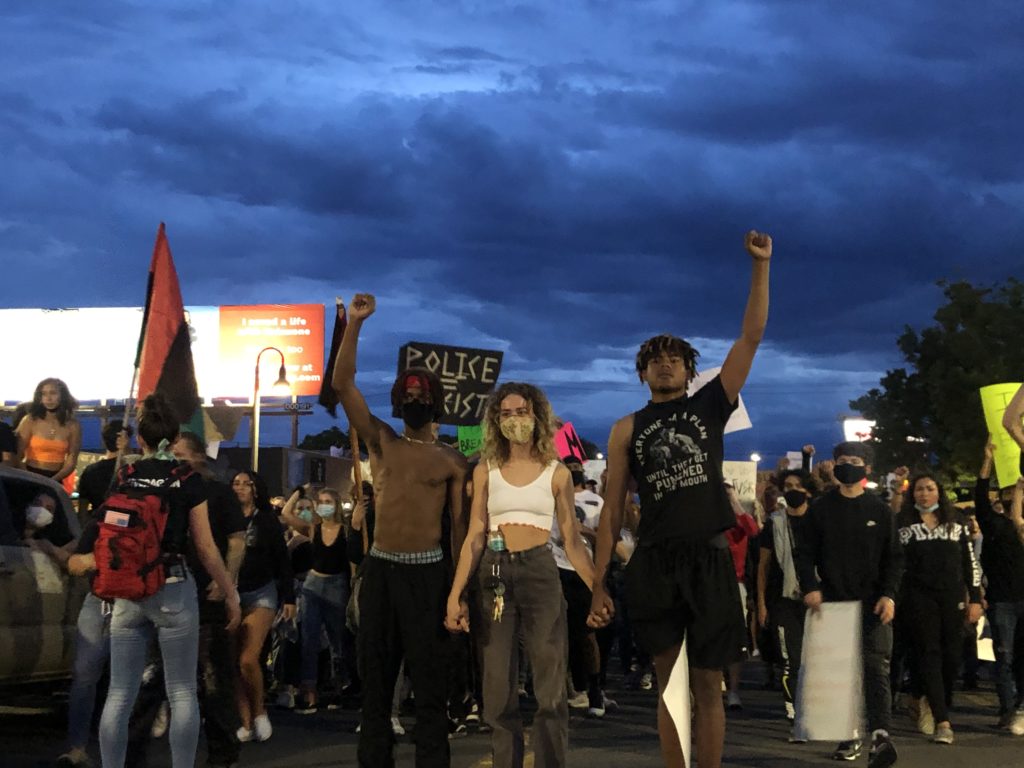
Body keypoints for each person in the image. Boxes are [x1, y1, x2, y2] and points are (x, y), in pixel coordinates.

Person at [589, 230, 772, 768]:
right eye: (655, 360)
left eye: (674, 359)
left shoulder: (712, 404)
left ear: (690, 370)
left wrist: (761, 265)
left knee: (708, 684)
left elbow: (752, 335)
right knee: (670, 681)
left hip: (709, 554)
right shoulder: (627, 428)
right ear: (642, 372)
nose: (665, 365)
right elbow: (613, 507)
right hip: (656, 559)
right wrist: (599, 581)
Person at [66, 393, 241, 768]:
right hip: (174, 587)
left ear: (140, 438)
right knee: (181, 693)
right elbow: (207, 548)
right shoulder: (187, 480)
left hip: (129, 590)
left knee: (120, 692)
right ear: (175, 435)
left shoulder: (125, 476)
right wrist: (230, 594)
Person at [331, 293, 468, 768]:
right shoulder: (381, 441)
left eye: (421, 394)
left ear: (435, 403)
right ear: (397, 400)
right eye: (407, 394)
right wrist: (356, 325)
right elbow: (342, 382)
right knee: (376, 691)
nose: (414, 398)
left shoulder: (452, 460)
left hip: (429, 580)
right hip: (383, 574)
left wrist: (458, 592)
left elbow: (459, 531)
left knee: (430, 693)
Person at [446, 382, 596, 768]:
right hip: (493, 574)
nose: (515, 420)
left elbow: (574, 542)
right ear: (496, 420)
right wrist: (456, 592)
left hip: (541, 571)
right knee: (496, 688)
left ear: (537, 417)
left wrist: (598, 588)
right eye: (507, 413)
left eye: (522, 412)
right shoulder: (485, 471)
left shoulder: (557, 473)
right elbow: (475, 535)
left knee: (550, 687)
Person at [794, 441, 903, 767]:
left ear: (867, 469)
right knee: (841, 673)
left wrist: (889, 595)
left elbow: (894, 558)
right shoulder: (821, 509)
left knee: (875, 668)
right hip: (832, 601)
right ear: (835, 465)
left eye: (854, 461)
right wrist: (811, 588)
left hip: (873, 604)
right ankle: (849, 735)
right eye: (842, 461)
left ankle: (881, 736)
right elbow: (804, 553)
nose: (848, 466)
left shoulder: (880, 510)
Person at [173, 433, 247, 768]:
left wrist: (226, 582)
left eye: (181, 454)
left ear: (199, 456)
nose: (175, 460)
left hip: (207, 592)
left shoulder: (217, 492)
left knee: (214, 675)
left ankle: (222, 750)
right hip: (169, 591)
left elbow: (236, 540)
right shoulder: (167, 491)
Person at [896, 472, 982, 745]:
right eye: (919, 489)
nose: (924, 493)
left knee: (953, 655)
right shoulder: (903, 523)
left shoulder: (955, 521)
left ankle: (926, 697)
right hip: (918, 598)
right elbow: (895, 562)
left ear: (938, 492)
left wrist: (976, 597)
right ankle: (943, 721)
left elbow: (970, 562)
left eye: (929, 488)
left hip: (952, 596)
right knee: (929, 652)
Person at [231, 469, 296, 744]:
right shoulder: (224, 518)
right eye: (236, 483)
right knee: (234, 662)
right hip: (230, 592)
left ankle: (259, 712)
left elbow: (282, 560)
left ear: (256, 489)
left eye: (247, 483)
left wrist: (289, 597)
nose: (241, 488)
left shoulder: (267, 521)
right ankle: (244, 720)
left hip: (261, 592)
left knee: (249, 657)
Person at [756, 468, 818, 734]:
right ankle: (795, 714)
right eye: (788, 486)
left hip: (816, 599)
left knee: (814, 659)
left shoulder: (820, 521)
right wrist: (761, 603)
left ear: (808, 491)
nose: (793, 490)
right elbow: (763, 566)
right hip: (783, 600)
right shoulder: (775, 523)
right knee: (790, 660)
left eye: (798, 486)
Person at [280, 486, 351, 713]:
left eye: (328, 501)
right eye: (320, 501)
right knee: (309, 639)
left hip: (336, 587)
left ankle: (340, 687)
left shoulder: (345, 531)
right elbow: (287, 513)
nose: (323, 505)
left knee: (338, 641)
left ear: (337, 505)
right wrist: (300, 491)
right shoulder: (314, 527)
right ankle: (309, 690)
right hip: (313, 586)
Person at [974, 438, 1024, 734]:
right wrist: (988, 459)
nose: (1011, 496)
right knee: (1004, 656)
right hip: (1002, 600)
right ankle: (1008, 710)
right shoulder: (992, 524)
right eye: (1006, 493)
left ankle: (1020, 706)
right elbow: (980, 495)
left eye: (1015, 492)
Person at [723, 481, 760, 711]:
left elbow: (753, 531)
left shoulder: (739, 521)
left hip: (735, 583)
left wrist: (735, 502)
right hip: (709, 582)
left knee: (735, 638)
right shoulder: (708, 519)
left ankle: (734, 690)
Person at [16, 378, 81, 493]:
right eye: (44, 394)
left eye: (53, 393)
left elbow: (72, 458)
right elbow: (17, 453)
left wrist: (54, 480)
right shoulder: (30, 420)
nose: (48, 398)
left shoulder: (73, 425)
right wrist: (28, 476)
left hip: (56, 478)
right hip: (29, 475)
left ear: (62, 396)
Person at [77, 420, 132, 516]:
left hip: (98, 522)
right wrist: (127, 449)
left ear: (104, 440)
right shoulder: (129, 470)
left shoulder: (90, 472)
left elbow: (82, 510)